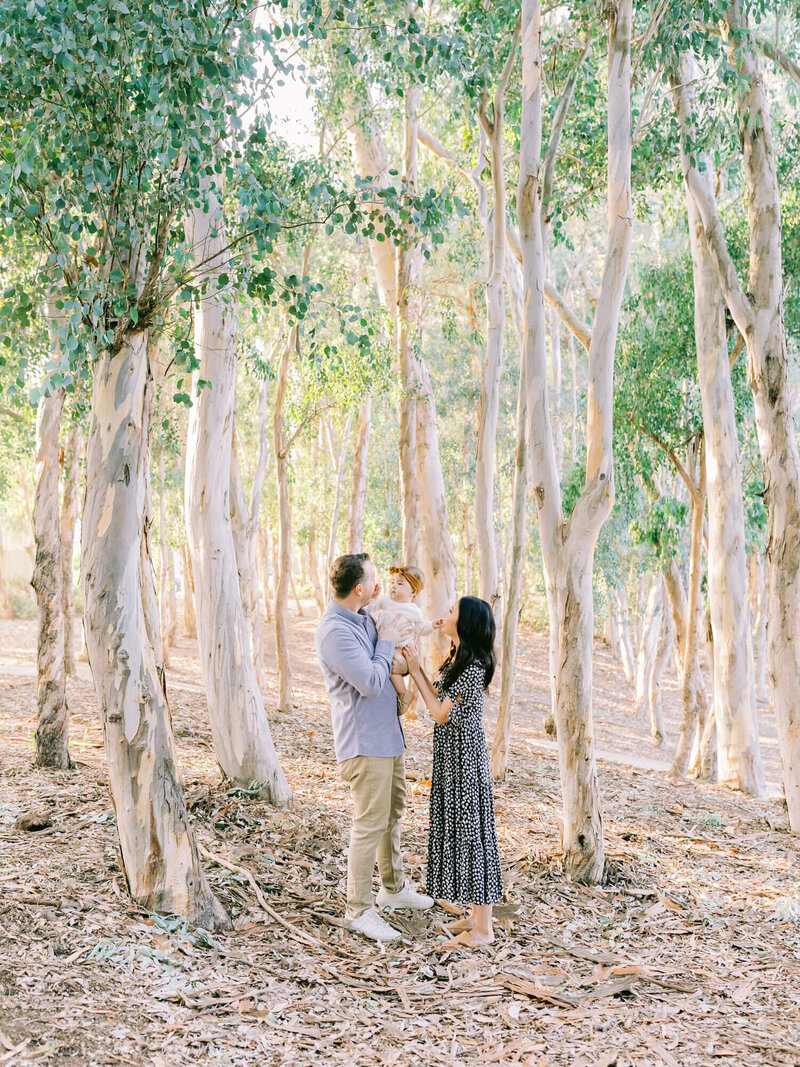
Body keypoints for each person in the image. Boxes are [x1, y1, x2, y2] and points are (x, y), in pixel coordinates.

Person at [315, 552, 434, 942]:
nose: (382, 585)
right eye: (374, 579)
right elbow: (369, 680)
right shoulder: (335, 631)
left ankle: (393, 889)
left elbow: (393, 667)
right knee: (369, 823)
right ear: (360, 589)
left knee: (392, 812)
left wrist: (390, 659)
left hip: (388, 735)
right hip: (365, 744)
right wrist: (385, 647)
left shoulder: (365, 617)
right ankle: (358, 909)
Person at [402, 595, 503, 948]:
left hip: (465, 759)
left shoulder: (474, 665)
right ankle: (476, 916)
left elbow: (441, 712)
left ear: (466, 623)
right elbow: (438, 701)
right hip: (451, 756)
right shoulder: (457, 659)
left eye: (451, 611)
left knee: (474, 836)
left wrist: (415, 669)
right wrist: (416, 668)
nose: (444, 615)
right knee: (463, 832)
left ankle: (484, 929)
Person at [366, 565, 438, 714]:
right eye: (393, 582)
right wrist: (372, 597)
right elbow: (369, 608)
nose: (393, 586)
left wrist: (432, 625)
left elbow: (421, 628)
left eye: (400, 584)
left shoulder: (414, 611)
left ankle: (403, 694)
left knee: (392, 667)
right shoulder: (385, 600)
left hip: (401, 648)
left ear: (412, 592)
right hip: (383, 642)